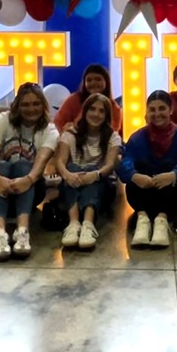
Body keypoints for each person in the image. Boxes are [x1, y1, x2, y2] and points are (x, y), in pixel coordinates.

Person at [0, 83, 57, 261]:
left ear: (43, 105)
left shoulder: (50, 130)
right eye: (25, 104)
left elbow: (41, 162)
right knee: (1, 166)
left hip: (30, 189)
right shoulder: (2, 120)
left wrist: (28, 179)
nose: (31, 109)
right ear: (17, 105)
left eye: (35, 104)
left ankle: (22, 231)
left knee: (24, 165)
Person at [119, 90, 177, 248]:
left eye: (162, 108)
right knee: (133, 183)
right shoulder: (137, 137)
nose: (157, 113)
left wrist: (173, 174)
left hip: (169, 190)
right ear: (146, 112)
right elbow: (125, 162)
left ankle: (162, 220)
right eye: (152, 109)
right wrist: (135, 176)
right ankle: (143, 220)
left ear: (170, 110)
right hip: (143, 189)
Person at [56, 93, 122, 250]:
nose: (96, 114)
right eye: (92, 109)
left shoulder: (113, 137)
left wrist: (95, 175)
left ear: (106, 115)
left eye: (101, 111)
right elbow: (60, 162)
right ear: (85, 111)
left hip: (101, 182)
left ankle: (88, 223)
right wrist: (68, 175)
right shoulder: (70, 134)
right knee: (72, 168)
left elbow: (110, 165)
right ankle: (73, 224)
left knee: (93, 172)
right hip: (73, 180)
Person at [54, 64, 124, 133]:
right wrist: (66, 130)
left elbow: (112, 134)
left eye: (98, 79)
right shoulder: (73, 100)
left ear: (106, 82)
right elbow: (58, 124)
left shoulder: (114, 108)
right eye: (89, 80)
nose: (93, 83)